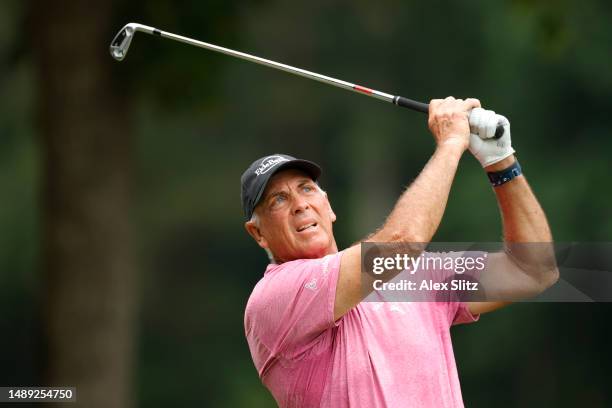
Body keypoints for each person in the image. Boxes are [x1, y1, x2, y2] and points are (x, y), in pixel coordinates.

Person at [240, 97, 558, 407]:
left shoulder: (413, 277)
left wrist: (500, 162)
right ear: (258, 234)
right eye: (278, 200)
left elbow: (533, 271)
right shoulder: (275, 298)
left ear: (329, 206)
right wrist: (451, 144)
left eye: (307, 189)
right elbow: (403, 241)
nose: (299, 205)